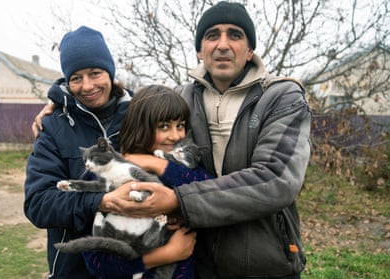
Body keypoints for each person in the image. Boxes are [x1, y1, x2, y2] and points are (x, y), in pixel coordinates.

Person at [32, 2, 311, 278]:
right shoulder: (183, 97)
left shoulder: (279, 97)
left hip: (259, 263)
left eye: (235, 35)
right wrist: (57, 106)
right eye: (212, 35)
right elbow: (38, 203)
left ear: (250, 49)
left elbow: (276, 179)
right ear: (200, 51)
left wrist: (174, 196)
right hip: (180, 262)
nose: (88, 85)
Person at [24, 26, 195, 278]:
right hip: (76, 271)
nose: (87, 86)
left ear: (110, 72)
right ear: (66, 81)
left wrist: (177, 209)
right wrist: (100, 201)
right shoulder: (54, 128)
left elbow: (180, 166)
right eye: (76, 78)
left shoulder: (141, 114)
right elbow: (38, 203)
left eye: (95, 73)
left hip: (144, 263)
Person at [82, 84, 213, 279]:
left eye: (181, 125)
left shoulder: (183, 168)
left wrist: (158, 165)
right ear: (140, 127)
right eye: (164, 126)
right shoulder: (109, 174)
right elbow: (97, 262)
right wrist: (168, 254)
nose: (176, 136)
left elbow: (212, 191)